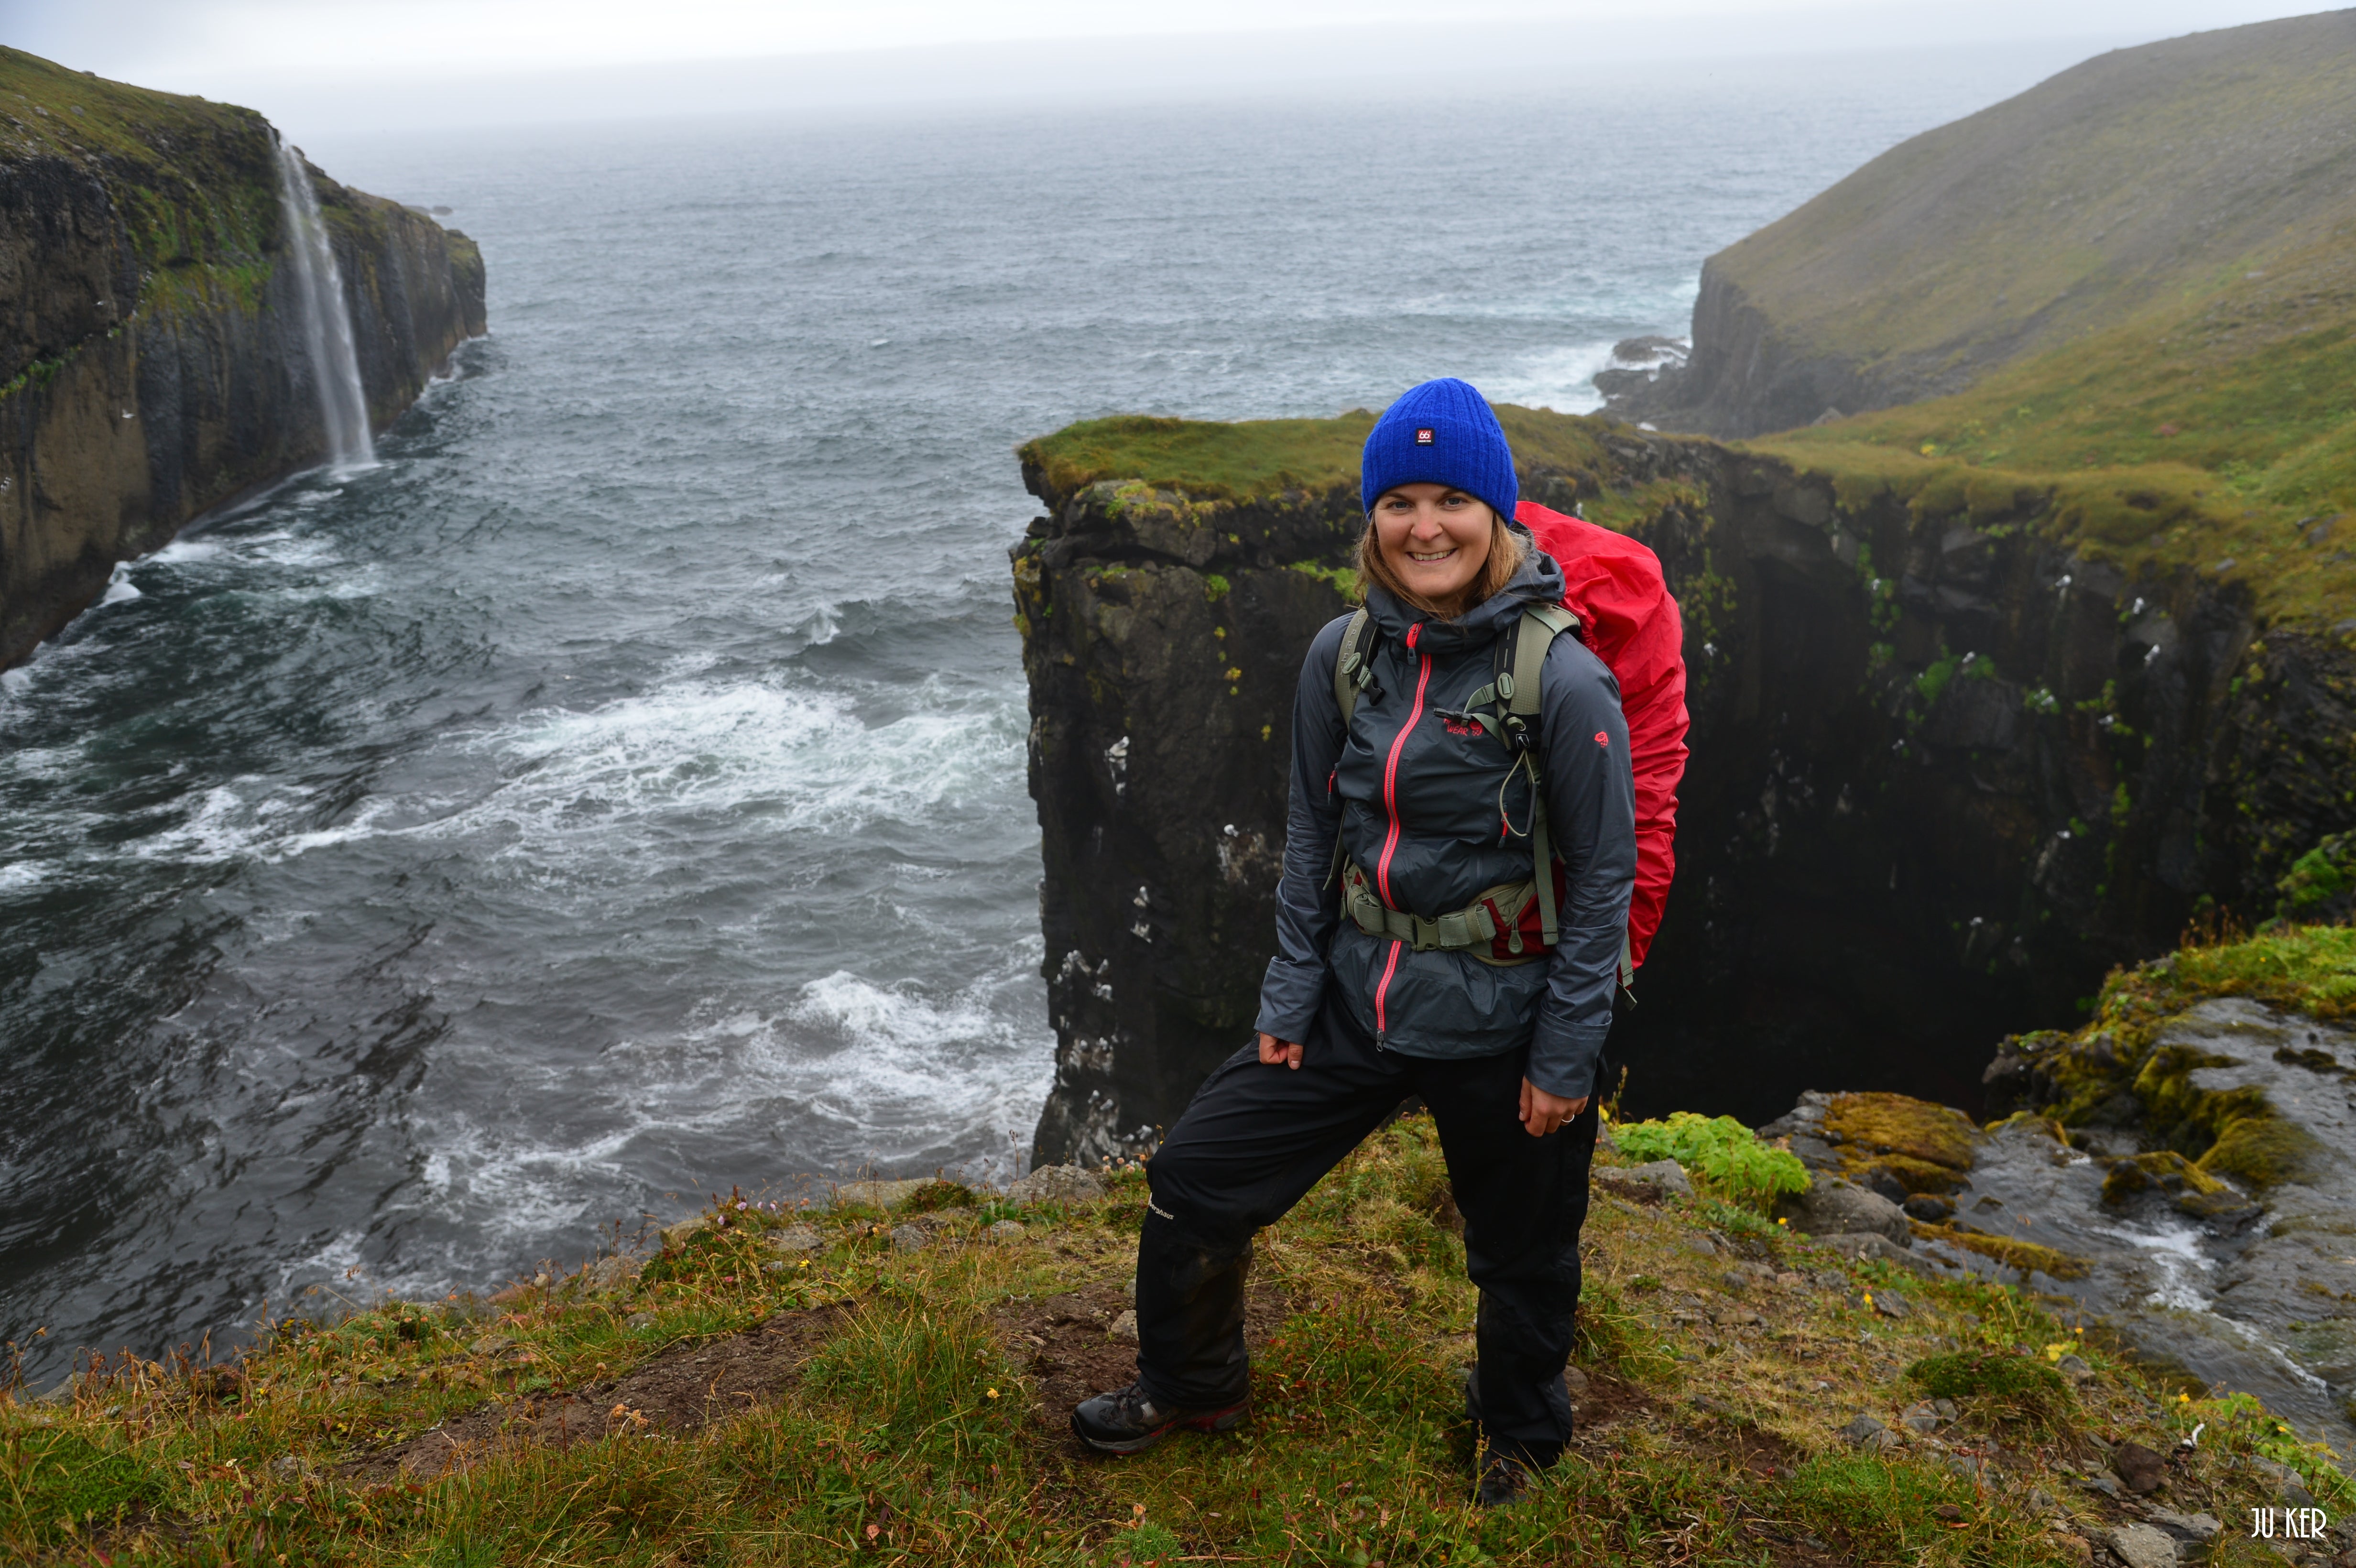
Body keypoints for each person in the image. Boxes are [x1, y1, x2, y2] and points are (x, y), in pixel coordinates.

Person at [1069, 377, 1638, 1506]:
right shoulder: (1342, 655)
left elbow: (1604, 881)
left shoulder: (1562, 679)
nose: (1425, 525)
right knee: (1194, 1176)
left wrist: (1564, 1054)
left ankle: (1518, 1432)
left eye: (1452, 500)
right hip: (1356, 996)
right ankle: (1193, 1380)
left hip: (1501, 1012)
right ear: (1372, 520)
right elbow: (1310, 832)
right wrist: (1288, 994)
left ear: (1498, 517)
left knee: (1522, 1251)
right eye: (1400, 502)